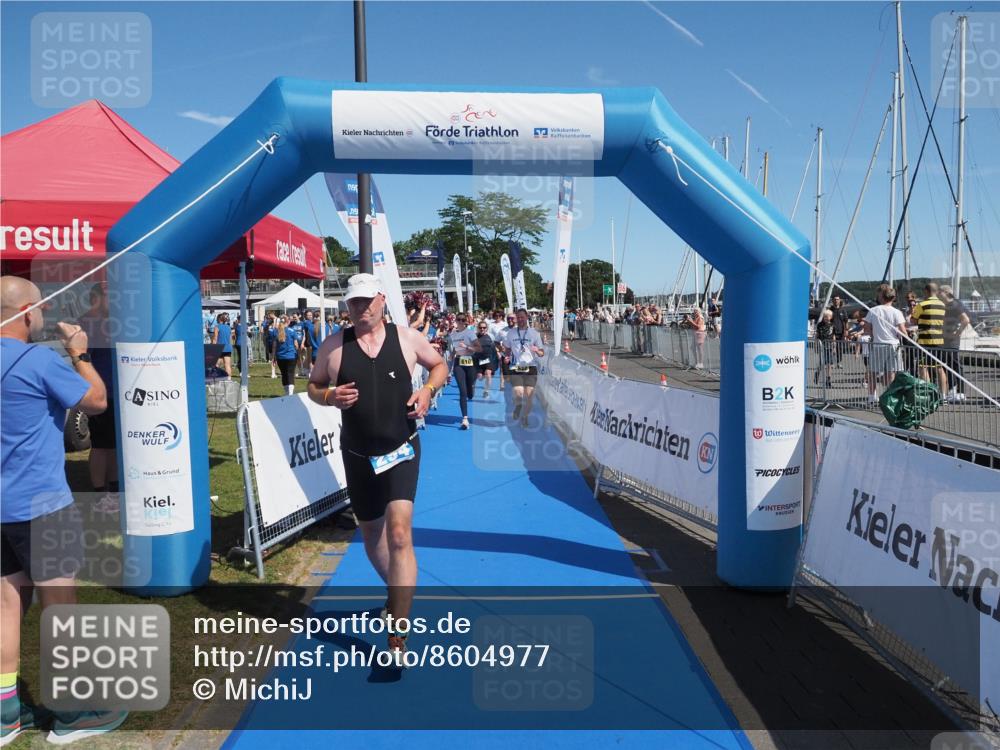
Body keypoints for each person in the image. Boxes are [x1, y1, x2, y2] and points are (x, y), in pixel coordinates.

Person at [1, 276, 128, 744]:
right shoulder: (38, 359)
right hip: (42, 506)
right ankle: (74, 713)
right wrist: (78, 352)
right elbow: (96, 401)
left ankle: (5, 713)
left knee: (6, 606)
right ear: (28, 313)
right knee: (61, 608)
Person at [307, 274, 447, 665]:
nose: (361, 308)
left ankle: (397, 637)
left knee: (400, 532)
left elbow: (439, 365)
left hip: (401, 448)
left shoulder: (405, 339)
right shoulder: (334, 346)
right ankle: (397, 592)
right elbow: (314, 386)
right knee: (372, 535)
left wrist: (427, 391)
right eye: (353, 302)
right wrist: (330, 396)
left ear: (382, 299)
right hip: (357, 454)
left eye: (367, 300)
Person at [77, 283, 119, 513]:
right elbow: (82, 361)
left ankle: (113, 490)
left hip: (117, 392)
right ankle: (101, 494)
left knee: (113, 445)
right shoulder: (85, 324)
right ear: (98, 297)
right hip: (99, 393)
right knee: (101, 445)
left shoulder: (112, 322)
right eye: (111, 296)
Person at [863, 283, 909, 405]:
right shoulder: (897, 312)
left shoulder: (873, 311)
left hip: (878, 344)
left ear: (881, 297)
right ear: (893, 298)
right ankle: (889, 397)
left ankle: (872, 397)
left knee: (873, 372)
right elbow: (902, 331)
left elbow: (866, 329)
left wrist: (874, 334)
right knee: (891, 372)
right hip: (893, 345)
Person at [503, 308, 546, 427]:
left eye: (523, 317)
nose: (520, 319)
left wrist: (537, 350)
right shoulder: (511, 333)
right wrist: (506, 356)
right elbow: (506, 348)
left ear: (527, 317)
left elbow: (542, 353)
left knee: (529, 397)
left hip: (531, 367)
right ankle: (518, 405)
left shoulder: (534, 333)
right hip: (516, 367)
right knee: (518, 392)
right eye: (519, 317)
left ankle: (525, 416)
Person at [910, 282, 948, 396]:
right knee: (939, 368)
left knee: (923, 367)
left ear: (926, 291)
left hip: (925, 340)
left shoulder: (922, 305)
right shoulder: (943, 305)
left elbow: (913, 320)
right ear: (936, 292)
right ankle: (943, 395)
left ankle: (928, 394)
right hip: (939, 340)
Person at [448, 313, 483, 430]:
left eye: (463, 320)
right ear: (456, 321)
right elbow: (455, 347)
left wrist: (467, 347)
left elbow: (479, 348)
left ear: (466, 322)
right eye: (459, 320)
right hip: (459, 363)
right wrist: (452, 355)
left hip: (470, 362)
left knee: (469, 391)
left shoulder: (469, 333)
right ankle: (465, 419)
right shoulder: (452, 334)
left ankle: (471, 388)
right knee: (462, 391)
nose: (461, 322)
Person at [938, 285, 970, 403]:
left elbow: (965, 320)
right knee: (948, 365)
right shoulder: (945, 305)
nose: (938, 294)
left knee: (956, 365)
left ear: (946, 292)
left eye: (940, 292)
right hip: (945, 340)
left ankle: (961, 392)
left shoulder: (955, 305)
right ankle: (952, 390)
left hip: (952, 341)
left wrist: (957, 333)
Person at [271, 315, 300, 396]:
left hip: (280, 357)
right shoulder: (292, 331)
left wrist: (273, 357)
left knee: (284, 374)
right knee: (290, 374)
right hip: (291, 356)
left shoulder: (275, 331)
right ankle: (290, 393)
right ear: (288, 321)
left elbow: (274, 346)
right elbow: (296, 344)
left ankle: (286, 392)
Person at [473, 319, 499, 400]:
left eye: (484, 328)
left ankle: (486, 391)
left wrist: (497, 353)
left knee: (488, 373)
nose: (482, 329)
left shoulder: (491, 336)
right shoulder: (474, 337)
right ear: (478, 328)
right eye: (480, 328)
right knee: (480, 377)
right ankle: (472, 387)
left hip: (488, 359)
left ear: (486, 328)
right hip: (478, 359)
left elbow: (494, 346)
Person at [813, 309, 834, 388]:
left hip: (830, 346)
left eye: (828, 316)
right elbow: (817, 335)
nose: (826, 318)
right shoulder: (820, 325)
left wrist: (834, 345)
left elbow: (833, 335)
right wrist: (815, 345)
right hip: (822, 346)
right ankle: (817, 373)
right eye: (825, 316)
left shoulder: (832, 325)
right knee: (822, 363)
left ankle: (828, 380)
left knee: (829, 364)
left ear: (831, 317)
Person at [212, 313, 233, 377]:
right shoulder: (228, 327)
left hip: (219, 348)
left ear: (219, 319)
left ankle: (215, 379)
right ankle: (229, 379)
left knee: (216, 365)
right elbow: (230, 338)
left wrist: (212, 347)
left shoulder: (217, 327)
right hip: (228, 348)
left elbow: (215, 339)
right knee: (227, 365)